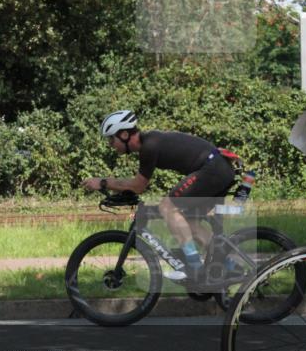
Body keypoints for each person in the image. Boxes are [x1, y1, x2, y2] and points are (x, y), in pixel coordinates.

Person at [83, 110, 238, 282]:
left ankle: (194, 267)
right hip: (219, 168)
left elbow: (138, 186)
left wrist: (103, 182)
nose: (111, 144)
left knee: (167, 207)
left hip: (213, 168)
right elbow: (138, 185)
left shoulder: (149, 146)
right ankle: (230, 266)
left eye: (112, 139)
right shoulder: (150, 143)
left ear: (125, 134)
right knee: (189, 222)